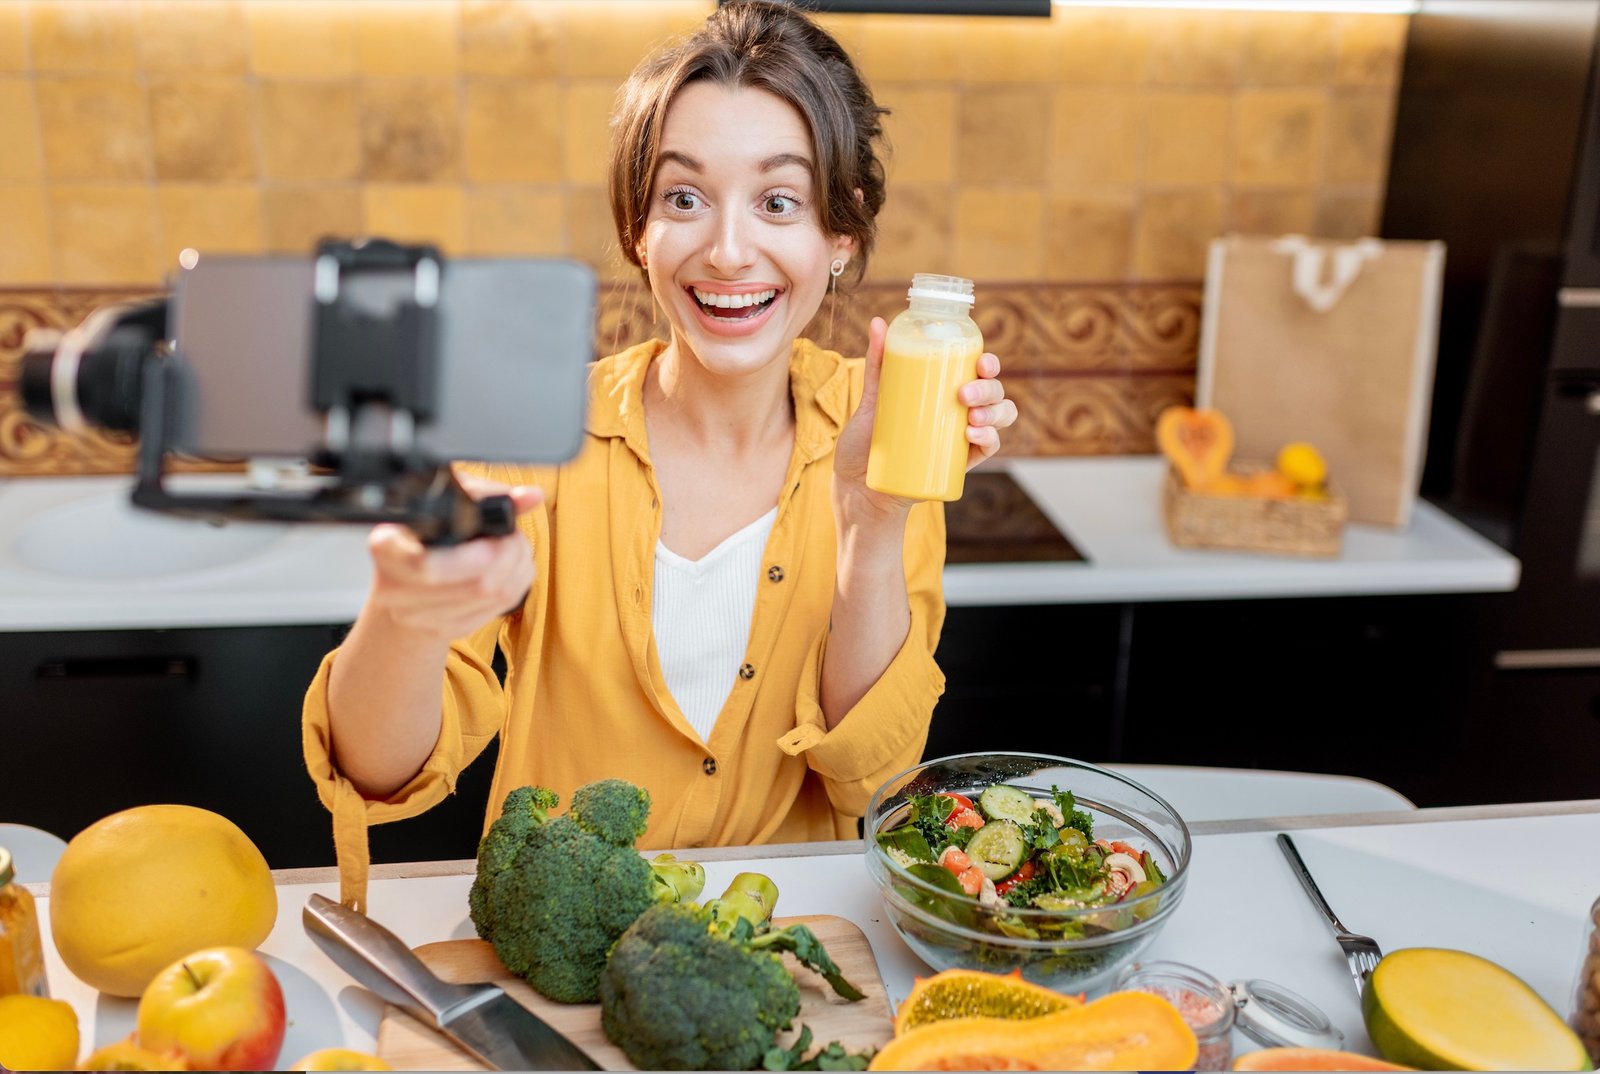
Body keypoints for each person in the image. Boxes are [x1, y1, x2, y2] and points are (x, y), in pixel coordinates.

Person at [301, 0, 1018, 907]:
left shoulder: (887, 427)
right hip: (559, 973)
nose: (726, 250)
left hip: (792, 960)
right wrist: (402, 617)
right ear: (639, 230)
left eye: (778, 202)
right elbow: (377, 773)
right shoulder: (537, 434)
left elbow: (869, 780)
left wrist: (873, 522)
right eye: (684, 198)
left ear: (840, 234)